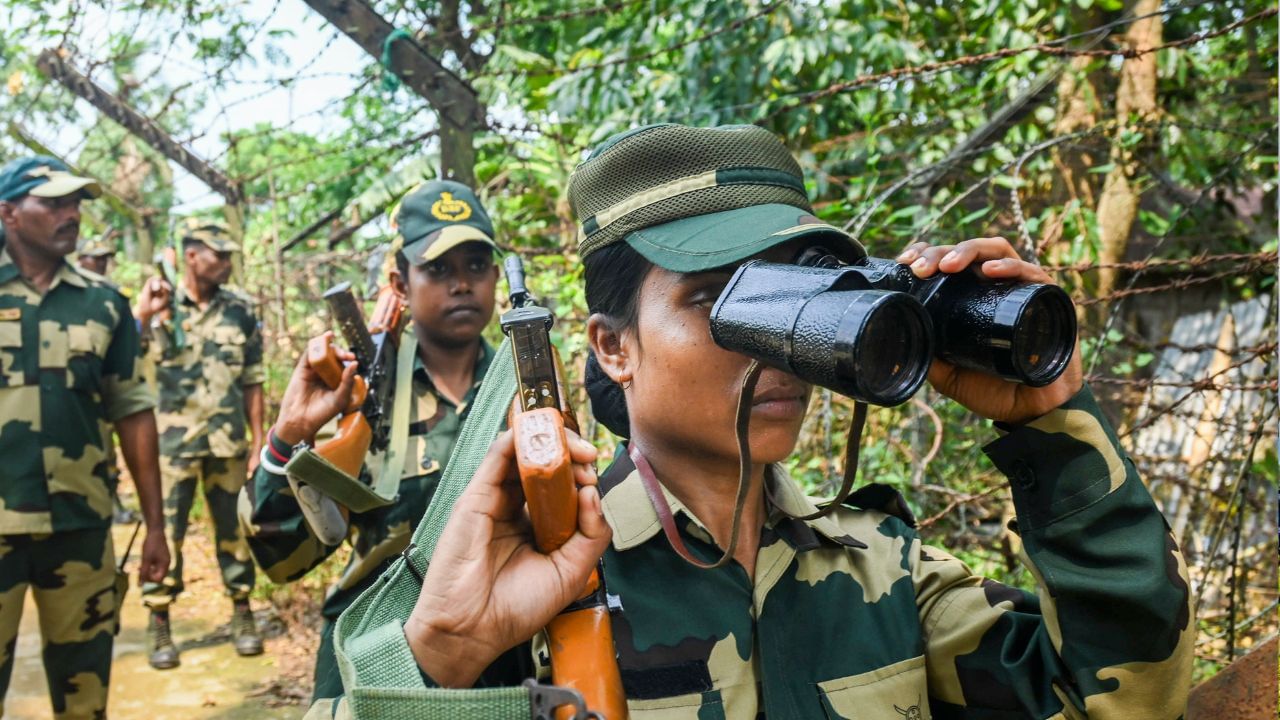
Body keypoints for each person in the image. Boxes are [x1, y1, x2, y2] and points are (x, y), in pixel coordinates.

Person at [303, 124, 1194, 720]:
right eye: (723, 303)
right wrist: (443, 660)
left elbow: (1126, 702)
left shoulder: (887, 573)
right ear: (614, 348)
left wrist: (1055, 428)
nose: (783, 342)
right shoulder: (537, 582)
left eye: (802, 297)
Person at [242, 179, 502, 701]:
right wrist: (290, 435)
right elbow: (282, 560)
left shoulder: (525, 385)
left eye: (477, 266)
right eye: (438, 269)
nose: (462, 284)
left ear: (496, 277)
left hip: (501, 663)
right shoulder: (366, 392)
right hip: (377, 656)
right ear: (399, 284)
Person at [0, 155, 169, 720]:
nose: (71, 214)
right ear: (9, 213)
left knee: (84, 696)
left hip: (81, 527)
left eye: (76, 203)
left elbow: (134, 414)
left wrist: (155, 526)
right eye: (53, 203)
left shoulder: (105, 304)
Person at [133, 218, 265, 668]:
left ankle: (242, 612)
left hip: (227, 441)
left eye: (229, 254)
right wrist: (146, 315)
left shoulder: (241, 310)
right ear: (192, 256)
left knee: (235, 532)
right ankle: (160, 618)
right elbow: (125, 359)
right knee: (164, 532)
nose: (227, 262)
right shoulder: (161, 305)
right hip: (171, 446)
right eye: (218, 253)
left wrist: (257, 439)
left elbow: (253, 379)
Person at [75, 234, 138, 525]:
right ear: (80, 260)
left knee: (107, 458)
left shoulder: (110, 298)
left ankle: (112, 507)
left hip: (108, 395)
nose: (100, 263)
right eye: (94, 258)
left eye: (103, 258)